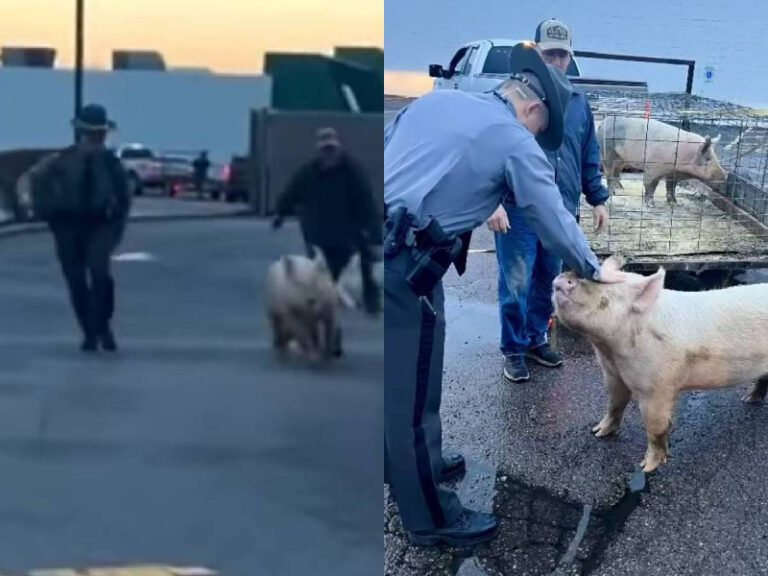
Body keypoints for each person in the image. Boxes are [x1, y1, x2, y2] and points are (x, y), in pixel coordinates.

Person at [383, 43, 625, 547]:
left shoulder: (432, 102)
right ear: (533, 109)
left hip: (384, 249)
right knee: (408, 397)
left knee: (408, 382)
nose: (537, 138)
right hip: (400, 266)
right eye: (541, 130)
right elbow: (552, 216)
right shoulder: (513, 138)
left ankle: (411, 468)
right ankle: (431, 519)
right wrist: (593, 271)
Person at [488, 19, 610, 383]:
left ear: (570, 58)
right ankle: (513, 347)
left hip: (561, 208)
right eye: (550, 54)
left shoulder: (577, 103)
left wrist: (598, 198)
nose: (557, 62)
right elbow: (491, 152)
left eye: (562, 55)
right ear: (537, 55)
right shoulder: (515, 99)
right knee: (517, 279)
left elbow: (588, 151)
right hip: (518, 209)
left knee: (549, 279)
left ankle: (536, 338)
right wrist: (490, 201)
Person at [32, 103, 131, 353]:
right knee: (76, 279)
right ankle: (90, 331)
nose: (96, 138)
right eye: (91, 133)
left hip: (100, 224)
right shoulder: (62, 161)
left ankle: (102, 326)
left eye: (99, 133)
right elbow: (36, 181)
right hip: (67, 224)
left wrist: (116, 227)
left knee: (100, 274)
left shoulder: (110, 163)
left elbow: (124, 197)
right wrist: (46, 211)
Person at [272, 127, 382, 315]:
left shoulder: (352, 171)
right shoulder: (308, 172)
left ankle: (370, 300)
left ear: (338, 149)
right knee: (322, 267)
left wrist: (374, 231)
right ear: (319, 150)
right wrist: (280, 214)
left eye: (331, 149)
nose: (329, 154)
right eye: (325, 150)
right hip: (317, 230)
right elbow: (292, 193)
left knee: (364, 261)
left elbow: (365, 200)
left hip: (347, 229)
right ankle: (320, 300)